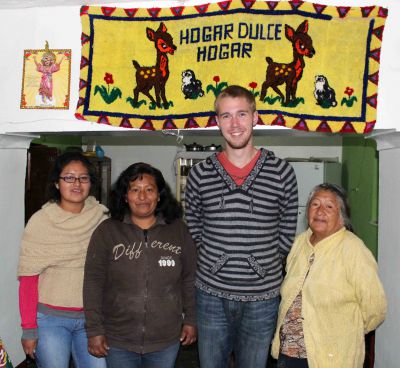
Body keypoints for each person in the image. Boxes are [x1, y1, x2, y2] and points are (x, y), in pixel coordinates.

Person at [185, 85, 298, 368]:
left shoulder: (282, 172)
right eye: (226, 116)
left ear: (255, 117)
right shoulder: (200, 174)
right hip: (210, 294)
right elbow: (194, 228)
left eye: (241, 114)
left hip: (263, 298)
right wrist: (218, 261)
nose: (234, 124)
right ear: (217, 121)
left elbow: (287, 233)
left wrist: (258, 265)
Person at [83, 162, 197, 368]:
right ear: (125, 196)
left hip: (165, 339)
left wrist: (191, 320)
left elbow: (189, 279)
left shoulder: (178, 231)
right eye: (135, 190)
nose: (142, 197)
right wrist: (94, 330)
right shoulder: (107, 231)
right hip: (117, 340)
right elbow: (93, 283)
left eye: (149, 190)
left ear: (159, 195)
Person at [271, 183, 387, 367]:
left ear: (341, 217)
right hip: (289, 353)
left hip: (331, 357)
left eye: (329, 206)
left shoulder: (353, 249)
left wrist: (347, 331)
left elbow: (375, 308)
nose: (320, 211)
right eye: (315, 204)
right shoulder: (300, 243)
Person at [17, 151, 108, 368]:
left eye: (83, 177)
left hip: (92, 320)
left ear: (90, 183)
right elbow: (28, 279)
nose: (76, 183)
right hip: (50, 321)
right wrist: (28, 328)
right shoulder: (40, 222)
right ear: (57, 183)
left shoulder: (101, 218)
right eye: (69, 177)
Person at [33, 41, 64, 105]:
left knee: (50, 87)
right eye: (45, 61)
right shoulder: (42, 67)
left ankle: (49, 96)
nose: (47, 62)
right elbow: (37, 65)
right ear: (44, 62)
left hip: (49, 79)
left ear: (50, 62)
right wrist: (35, 59)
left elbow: (58, 65)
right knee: (43, 88)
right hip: (43, 79)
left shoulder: (52, 67)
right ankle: (43, 97)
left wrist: (61, 59)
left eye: (48, 61)